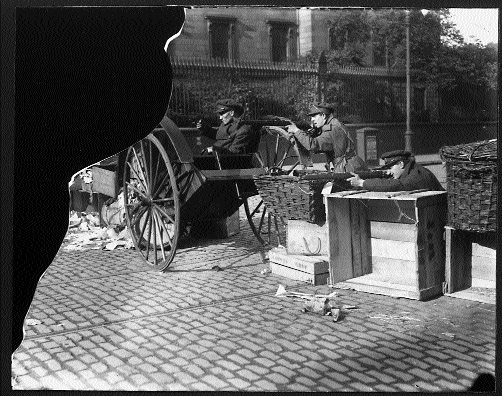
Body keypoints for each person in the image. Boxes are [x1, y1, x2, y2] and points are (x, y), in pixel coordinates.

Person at [286, 102, 367, 173]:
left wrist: (296, 131)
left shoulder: (331, 130)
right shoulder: (336, 124)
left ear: (323, 115)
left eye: (314, 116)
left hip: (347, 169)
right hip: (354, 165)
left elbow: (313, 145)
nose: (312, 120)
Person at [347, 150, 444, 191]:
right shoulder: (411, 170)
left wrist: (361, 183)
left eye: (391, 167)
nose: (389, 171)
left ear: (401, 164)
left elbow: (397, 185)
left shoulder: (417, 174)